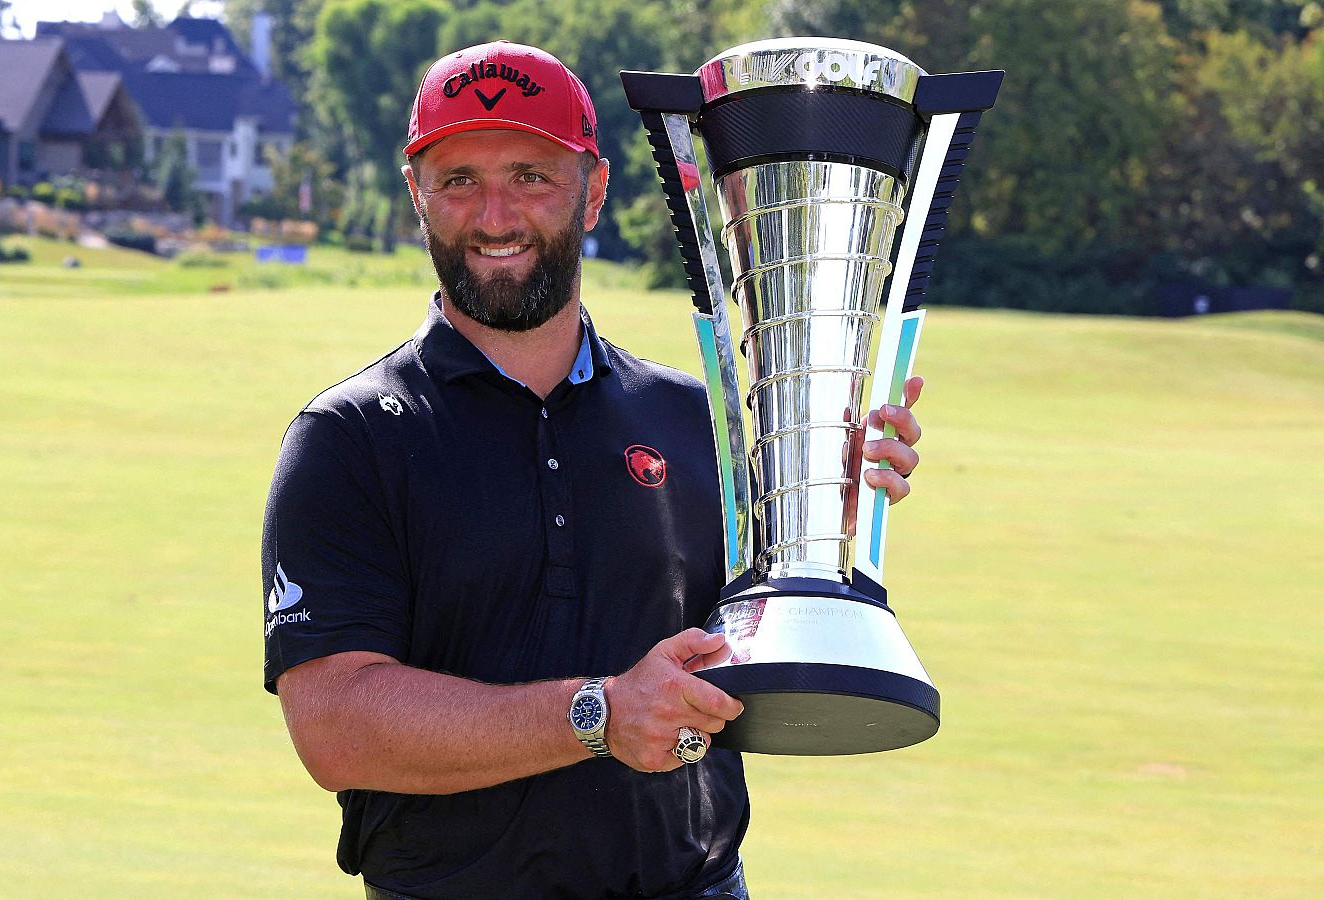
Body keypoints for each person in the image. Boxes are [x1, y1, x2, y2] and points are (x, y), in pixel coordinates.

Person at [262, 41, 925, 900]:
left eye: (531, 176)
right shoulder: (349, 439)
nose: (494, 215)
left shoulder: (699, 421)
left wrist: (824, 512)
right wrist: (599, 714)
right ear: (416, 194)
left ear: (595, 189)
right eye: (458, 180)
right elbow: (336, 728)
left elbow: (751, 643)